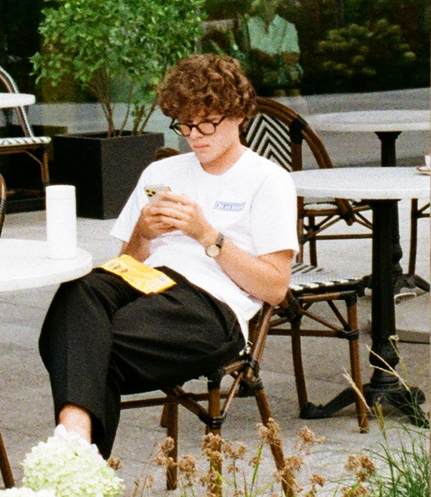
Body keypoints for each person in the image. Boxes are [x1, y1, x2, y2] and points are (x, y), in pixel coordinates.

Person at [38, 54, 295, 455]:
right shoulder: (162, 173)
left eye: (206, 122)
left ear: (238, 115)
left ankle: (72, 459)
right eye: (185, 124)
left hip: (210, 302)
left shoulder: (268, 180)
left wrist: (208, 236)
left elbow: (276, 288)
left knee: (79, 347)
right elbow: (126, 262)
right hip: (148, 282)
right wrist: (142, 234)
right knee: (81, 289)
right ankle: (78, 459)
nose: (194, 135)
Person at [241, 0, 304, 96]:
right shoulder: (250, 25)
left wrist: (279, 60)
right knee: (279, 91)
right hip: (263, 69)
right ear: (258, 9)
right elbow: (257, 53)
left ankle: (300, 113)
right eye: (264, 6)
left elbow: (295, 55)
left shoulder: (287, 26)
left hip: (287, 68)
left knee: (295, 92)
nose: (268, 9)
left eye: (271, 5)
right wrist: (277, 60)